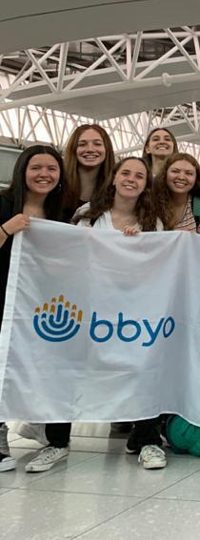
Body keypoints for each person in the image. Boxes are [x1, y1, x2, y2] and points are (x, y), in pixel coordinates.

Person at [75, 157, 167, 470]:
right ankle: (58, 438)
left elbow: (160, 266)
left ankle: (147, 437)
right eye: (125, 173)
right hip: (93, 310)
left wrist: (138, 247)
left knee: (142, 370)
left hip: (134, 311)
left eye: (139, 176)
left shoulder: (152, 223)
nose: (131, 179)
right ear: (113, 178)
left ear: (146, 185)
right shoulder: (86, 216)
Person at [0, 146, 66, 473]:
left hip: (46, 307)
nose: (44, 174)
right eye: (36, 167)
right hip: (5, 304)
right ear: (22, 170)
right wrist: (6, 229)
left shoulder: (62, 215)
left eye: (51, 168)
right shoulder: (2, 204)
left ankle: (54, 438)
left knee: (48, 369)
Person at [154, 153, 200, 236]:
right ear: (165, 174)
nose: (181, 177)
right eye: (175, 171)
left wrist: (191, 240)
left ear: (196, 179)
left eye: (189, 173)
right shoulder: (151, 203)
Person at [61, 123, 116, 218]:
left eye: (97, 144)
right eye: (82, 144)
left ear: (107, 149)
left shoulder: (116, 191)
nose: (90, 149)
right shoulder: (58, 187)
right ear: (73, 149)